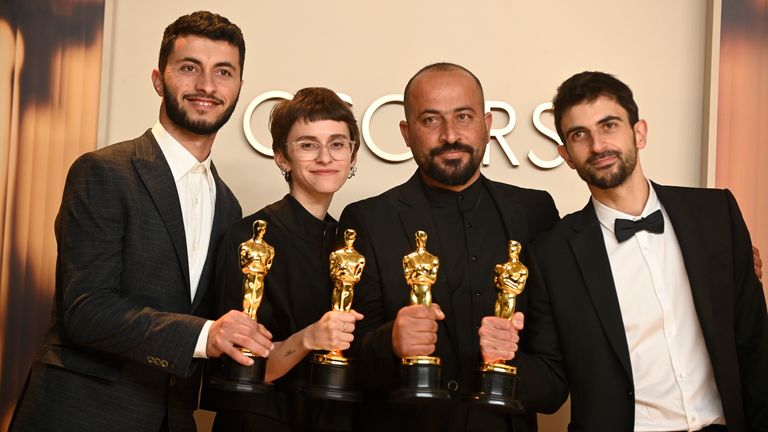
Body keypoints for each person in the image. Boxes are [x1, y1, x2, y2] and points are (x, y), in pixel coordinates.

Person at [9, 11, 274, 432]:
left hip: (171, 418)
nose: (207, 86)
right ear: (158, 79)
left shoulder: (229, 205)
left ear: (239, 87)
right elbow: (86, 310)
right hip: (81, 414)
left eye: (223, 72)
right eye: (190, 68)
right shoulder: (103, 171)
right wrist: (205, 336)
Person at [528, 71, 768, 431]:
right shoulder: (552, 255)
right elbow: (550, 385)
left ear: (639, 133)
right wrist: (496, 362)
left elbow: (755, 345)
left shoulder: (716, 215)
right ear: (566, 155)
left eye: (609, 125)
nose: (597, 146)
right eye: (580, 135)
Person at [337, 63, 567, 431]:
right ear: (407, 133)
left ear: (487, 125)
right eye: (430, 120)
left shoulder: (535, 213)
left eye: (463, 116)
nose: (449, 135)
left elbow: (555, 383)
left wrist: (509, 363)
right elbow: (343, 366)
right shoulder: (367, 219)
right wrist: (390, 342)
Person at [202, 87, 363, 431]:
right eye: (308, 145)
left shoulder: (352, 241)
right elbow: (240, 369)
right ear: (282, 157)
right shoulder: (248, 240)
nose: (325, 157)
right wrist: (308, 338)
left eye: (337, 144)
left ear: (352, 155)